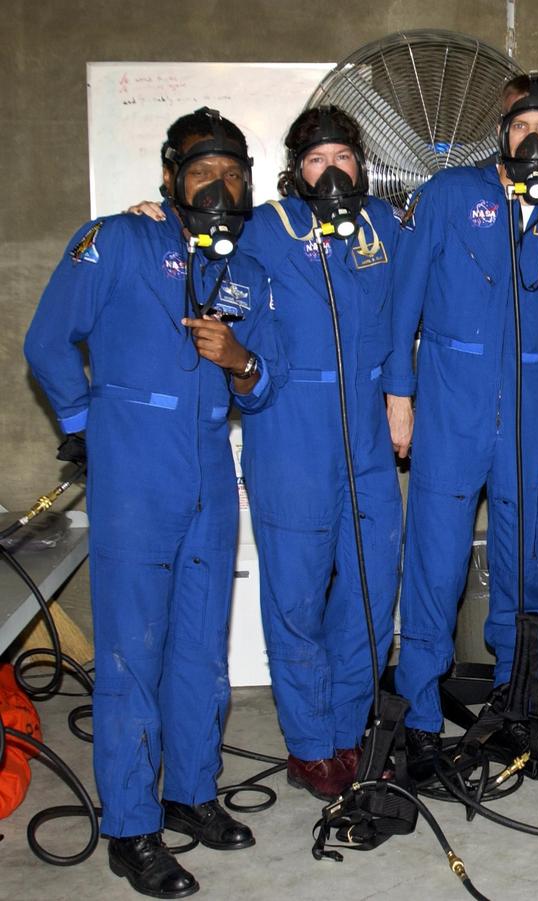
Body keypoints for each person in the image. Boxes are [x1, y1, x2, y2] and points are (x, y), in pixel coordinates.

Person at [25, 108, 275, 898]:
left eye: (232, 171)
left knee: (201, 651)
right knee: (133, 655)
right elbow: (46, 341)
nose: (219, 184)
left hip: (208, 463)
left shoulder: (246, 267)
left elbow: (264, 384)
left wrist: (240, 361)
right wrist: (82, 425)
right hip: (135, 461)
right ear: (170, 177)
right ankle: (131, 825)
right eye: (202, 170)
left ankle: (189, 793)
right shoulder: (120, 240)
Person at [127, 108, 404, 802]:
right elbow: (197, 238)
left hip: (368, 435)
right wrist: (153, 217)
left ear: (362, 164)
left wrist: (403, 395)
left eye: (344, 156)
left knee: (373, 598)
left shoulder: (385, 225)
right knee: (298, 603)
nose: (332, 171)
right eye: (317, 160)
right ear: (295, 169)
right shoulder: (263, 230)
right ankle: (312, 747)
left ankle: (346, 731)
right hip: (293, 436)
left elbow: (420, 299)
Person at [385, 73, 538, 773]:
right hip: (450, 403)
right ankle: (415, 715)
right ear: (501, 130)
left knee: (524, 565)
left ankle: (516, 703)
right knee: (435, 564)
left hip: (531, 417)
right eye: (522, 124)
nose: (534, 137)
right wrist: (398, 395)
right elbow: (403, 298)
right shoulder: (447, 195)